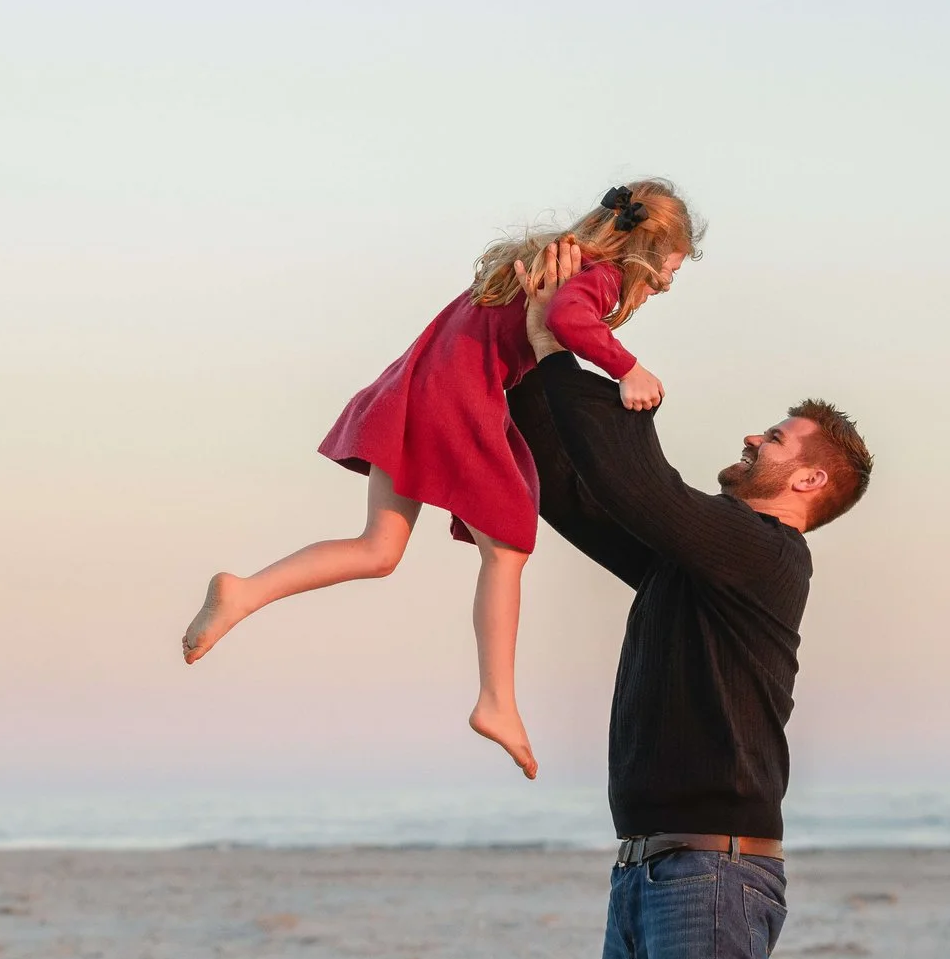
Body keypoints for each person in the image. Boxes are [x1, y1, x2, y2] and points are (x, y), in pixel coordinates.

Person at [510, 241, 873, 959]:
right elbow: (576, 492)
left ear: (805, 481)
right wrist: (532, 345)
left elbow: (641, 489)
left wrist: (589, 351)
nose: (756, 436)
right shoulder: (691, 565)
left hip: (714, 878)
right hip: (645, 871)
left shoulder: (761, 551)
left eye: (778, 437)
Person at [181, 182, 701, 780]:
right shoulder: (595, 274)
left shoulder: (545, 258)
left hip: (414, 389)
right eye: (668, 272)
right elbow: (567, 318)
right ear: (644, 253)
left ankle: (245, 592)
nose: (662, 287)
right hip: (456, 399)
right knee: (507, 545)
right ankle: (496, 701)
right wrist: (629, 368)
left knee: (378, 549)